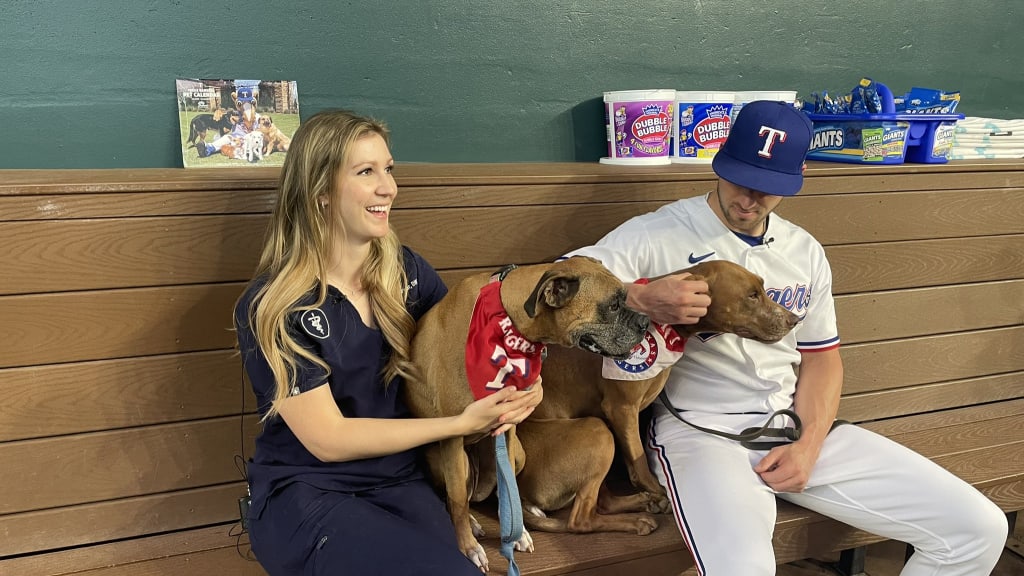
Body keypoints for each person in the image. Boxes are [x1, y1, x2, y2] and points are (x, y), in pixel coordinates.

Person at [564, 100, 1007, 575]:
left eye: (768, 188)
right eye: (741, 179)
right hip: (700, 434)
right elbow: (564, 280)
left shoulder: (804, 251)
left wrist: (809, 444)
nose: (749, 199)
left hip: (792, 424)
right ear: (722, 158)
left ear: (795, 178)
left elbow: (822, 359)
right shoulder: (656, 234)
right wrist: (640, 296)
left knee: (977, 528)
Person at [234, 109, 543, 576]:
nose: (389, 188)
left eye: (389, 169)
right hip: (310, 493)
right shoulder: (274, 304)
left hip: (401, 481)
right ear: (319, 192)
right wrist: (459, 422)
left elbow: (470, 356)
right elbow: (329, 441)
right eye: (366, 172)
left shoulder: (409, 273)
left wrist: (523, 388)